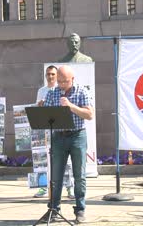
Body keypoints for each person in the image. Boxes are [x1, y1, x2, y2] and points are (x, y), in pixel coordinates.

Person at [43, 65, 94, 223]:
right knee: (56, 176)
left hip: (77, 135)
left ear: (73, 79)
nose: (62, 85)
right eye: (59, 81)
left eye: (65, 81)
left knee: (79, 176)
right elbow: (47, 114)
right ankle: (54, 209)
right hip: (58, 136)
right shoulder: (52, 92)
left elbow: (89, 114)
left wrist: (70, 106)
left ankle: (80, 209)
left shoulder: (82, 91)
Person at [33, 65, 75, 200]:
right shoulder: (42, 90)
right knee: (45, 159)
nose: (50, 77)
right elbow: (37, 109)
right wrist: (39, 105)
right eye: (48, 74)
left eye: (52, 74)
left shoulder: (62, 90)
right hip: (46, 129)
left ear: (58, 76)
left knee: (66, 160)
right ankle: (44, 187)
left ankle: (70, 188)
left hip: (60, 130)